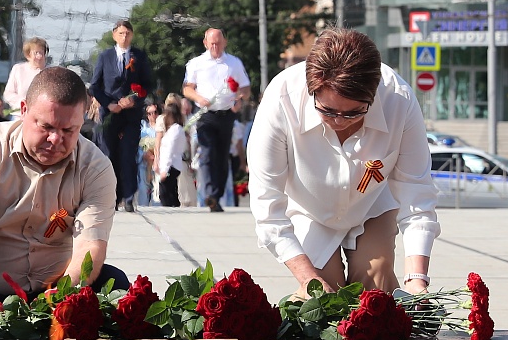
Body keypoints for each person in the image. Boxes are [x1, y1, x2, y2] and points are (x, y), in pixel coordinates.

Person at [248, 27, 440, 297]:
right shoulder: (281, 100)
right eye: (327, 110)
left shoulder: (399, 100)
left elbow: (416, 194)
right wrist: (307, 278)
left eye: (354, 113)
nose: (339, 121)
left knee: (378, 286)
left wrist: (417, 280)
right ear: (312, 87)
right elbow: (267, 208)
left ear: (373, 95)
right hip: (308, 211)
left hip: (373, 205)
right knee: (322, 300)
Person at [0, 67, 127, 312]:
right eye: (46, 127)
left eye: (69, 130)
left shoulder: (95, 168)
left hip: (57, 285)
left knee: (119, 287)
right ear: (24, 110)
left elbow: (90, 247)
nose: (55, 140)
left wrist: (63, 294)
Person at [182, 28, 252, 212]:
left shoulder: (233, 63)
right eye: (212, 43)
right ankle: (209, 194)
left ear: (224, 42)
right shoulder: (196, 63)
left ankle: (217, 195)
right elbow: (187, 89)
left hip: (226, 114)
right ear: (205, 43)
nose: (215, 46)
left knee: (221, 157)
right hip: (205, 114)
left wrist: (239, 99)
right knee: (207, 152)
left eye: (218, 43)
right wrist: (198, 98)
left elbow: (245, 89)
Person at [90, 20, 154, 212]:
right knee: (109, 155)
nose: (124, 37)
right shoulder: (105, 56)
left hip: (131, 115)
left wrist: (134, 99)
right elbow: (95, 86)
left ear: (132, 35)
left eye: (127, 33)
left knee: (128, 153)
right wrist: (108, 104)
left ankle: (128, 197)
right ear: (114, 35)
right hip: (110, 113)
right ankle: (111, 196)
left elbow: (148, 84)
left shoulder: (139, 57)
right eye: (121, 33)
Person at [2, 37, 49, 115]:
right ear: (28, 55)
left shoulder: (50, 72)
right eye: (36, 53)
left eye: (42, 53)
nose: (39, 56)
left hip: (42, 116)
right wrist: (24, 103)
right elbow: (8, 94)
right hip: (20, 115)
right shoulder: (18, 69)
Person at [156, 103, 187, 207]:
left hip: (171, 166)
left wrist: (164, 170)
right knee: (172, 191)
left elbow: (169, 150)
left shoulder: (175, 130)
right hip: (174, 165)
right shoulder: (177, 129)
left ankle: (169, 210)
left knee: (164, 192)